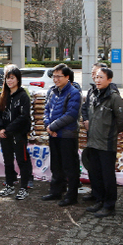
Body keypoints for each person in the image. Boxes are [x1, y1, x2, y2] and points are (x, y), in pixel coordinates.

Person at [83, 67, 123, 217]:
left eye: (101, 77)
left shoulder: (114, 97)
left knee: (107, 175)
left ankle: (109, 205)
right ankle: (99, 200)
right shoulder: (93, 94)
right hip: (93, 142)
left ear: (109, 80)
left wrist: (111, 131)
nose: (97, 80)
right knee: (95, 173)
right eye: (96, 77)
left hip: (107, 144)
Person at [41, 64, 82, 206]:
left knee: (70, 166)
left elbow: (71, 114)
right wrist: (47, 125)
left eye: (59, 76)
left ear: (67, 77)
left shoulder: (74, 92)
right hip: (53, 134)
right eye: (54, 76)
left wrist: (53, 126)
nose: (56, 79)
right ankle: (56, 191)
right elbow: (46, 109)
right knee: (56, 164)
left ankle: (71, 195)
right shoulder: (52, 91)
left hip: (67, 135)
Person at [0, 65, 32, 200]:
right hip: (4, 134)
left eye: (12, 78)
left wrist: (9, 130)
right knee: (8, 160)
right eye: (7, 78)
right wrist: (0, 129)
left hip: (18, 134)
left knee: (22, 160)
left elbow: (23, 116)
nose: (9, 81)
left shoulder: (23, 96)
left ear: (18, 79)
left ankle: (24, 187)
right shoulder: (1, 95)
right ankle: (9, 184)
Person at [80, 62, 109, 202]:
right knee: (93, 166)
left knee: (104, 169)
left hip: (104, 138)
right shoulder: (92, 91)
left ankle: (105, 198)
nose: (95, 77)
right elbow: (84, 108)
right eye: (93, 74)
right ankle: (95, 193)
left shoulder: (111, 92)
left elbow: (120, 118)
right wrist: (86, 120)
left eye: (98, 75)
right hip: (91, 135)